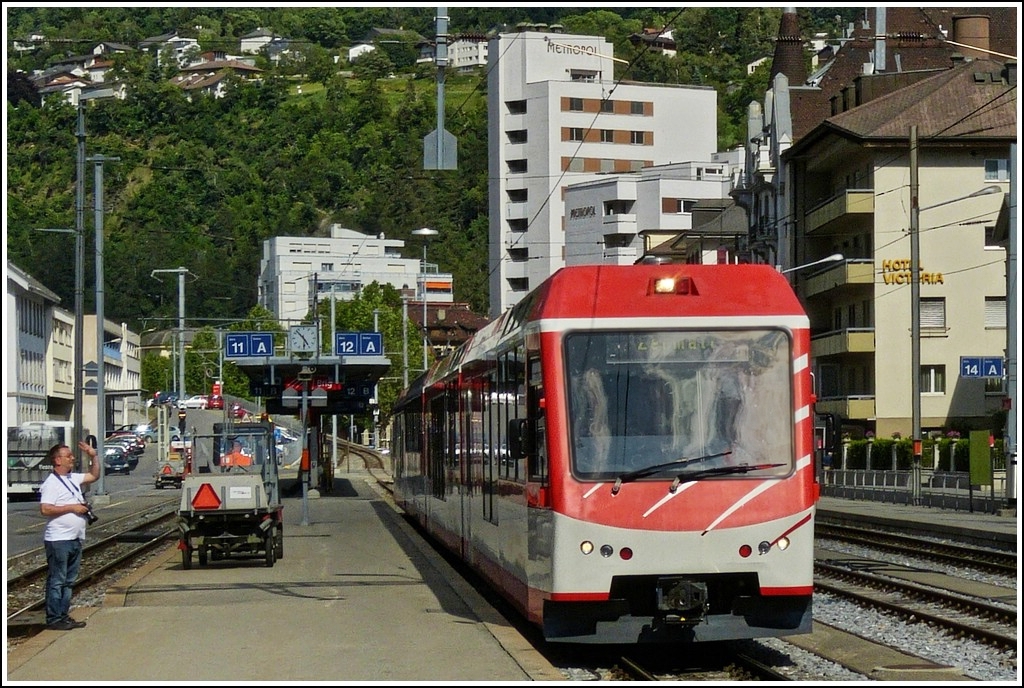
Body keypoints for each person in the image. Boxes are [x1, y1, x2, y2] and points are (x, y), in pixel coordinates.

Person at [39, 440, 101, 630]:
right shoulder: (51, 484)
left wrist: (93, 456)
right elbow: (45, 509)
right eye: (68, 456)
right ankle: (54, 618)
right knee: (57, 580)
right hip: (58, 540)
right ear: (58, 460)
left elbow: (93, 476)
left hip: (74, 538)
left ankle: (63, 615)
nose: (72, 458)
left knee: (68, 581)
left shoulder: (72, 478)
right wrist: (72, 507)